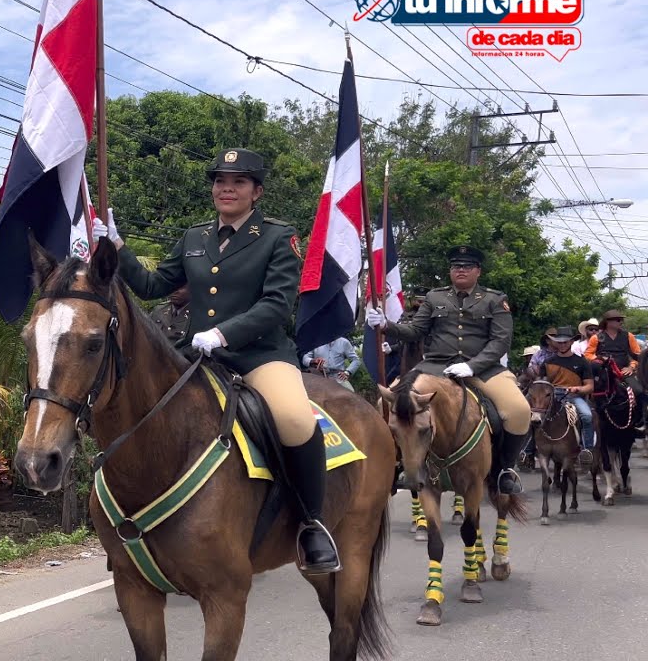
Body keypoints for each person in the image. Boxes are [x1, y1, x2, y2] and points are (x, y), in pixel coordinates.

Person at [92, 147, 340, 576]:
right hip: (198, 354)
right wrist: (118, 245)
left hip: (259, 354)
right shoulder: (194, 237)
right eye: (220, 181)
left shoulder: (279, 237)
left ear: (256, 192)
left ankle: (310, 524)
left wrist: (225, 333)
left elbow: (278, 305)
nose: (227, 188)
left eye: (239, 182)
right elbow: (152, 285)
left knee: (295, 419)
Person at [366, 245, 532, 496]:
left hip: (482, 368)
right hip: (436, 366)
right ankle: (397, 465)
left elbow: (500, 342)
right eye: (456, 267)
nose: (460, 271)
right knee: (386, 403)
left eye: (466, 267)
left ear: (478, 271)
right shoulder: (435, 297)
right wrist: (385, 325)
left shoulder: (494, 299)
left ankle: (504, 470)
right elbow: (415, 331)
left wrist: (471, 366)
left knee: (519, 410)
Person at [534, 326, 595, 469]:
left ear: (572, 342)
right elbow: (539, 383)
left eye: (565, 342)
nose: (562, 344)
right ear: (555, 343)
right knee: (532, 415)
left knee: (586, 415)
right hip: (551, 398)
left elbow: (590, 386)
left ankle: (587, 450)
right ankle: (528, 452)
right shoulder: (548, 362)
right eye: (559, 342)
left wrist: (578, 388)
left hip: (573, 396)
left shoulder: (582, 362)